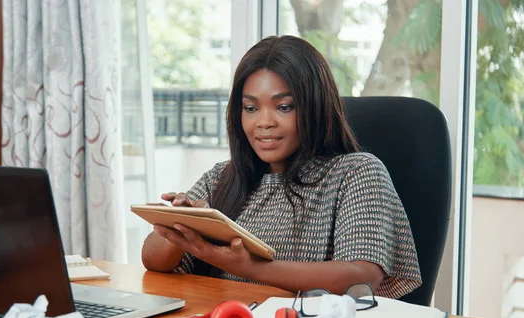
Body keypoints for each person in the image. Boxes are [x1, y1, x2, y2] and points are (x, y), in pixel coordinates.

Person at [141, 35, 421, 299]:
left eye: (284, 107)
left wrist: (252, 268)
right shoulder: (223, 176)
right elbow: (152, 261)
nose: (264, 122)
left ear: (315, 107)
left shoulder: (356, 172)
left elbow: (362, 276)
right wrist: (181, 224)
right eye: (250, 108)